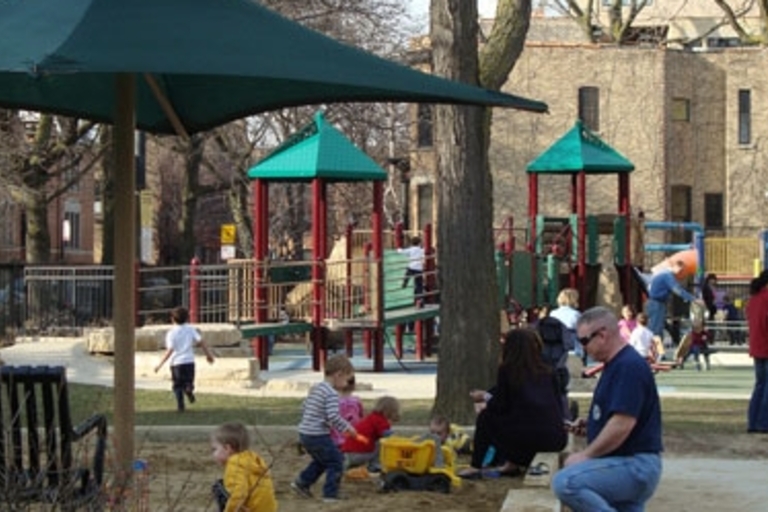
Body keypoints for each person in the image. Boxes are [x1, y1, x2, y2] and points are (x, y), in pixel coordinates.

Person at [553, 307, 663, 511]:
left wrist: (587, 455)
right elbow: (616, 417)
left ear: (602, 335)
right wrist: (593, 425)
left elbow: (622, 423)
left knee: (566, 482)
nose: (583, 348)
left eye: (584, 341)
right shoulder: (616, 365)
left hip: (634, 464)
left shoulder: (628, 366)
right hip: (625, 462)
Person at [459, 328, 567, 479]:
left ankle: (475, 466)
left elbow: (501, 405)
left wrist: (485, 399)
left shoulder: (508, 370)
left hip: (526, 443)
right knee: (517, 422)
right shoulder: (549, 371)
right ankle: (512, 463)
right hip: (555, 439)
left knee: (486, 417)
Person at [292, 354, 359, 503]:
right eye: (347, 379)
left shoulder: (316, 388)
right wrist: (348, 428)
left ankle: (302, 482)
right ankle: (330, 494)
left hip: (305, 433)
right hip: (317, 435)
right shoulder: (331, 394)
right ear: (338, 375)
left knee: (322, 460)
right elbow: (333, 416)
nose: (347, 383)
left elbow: (304, 407)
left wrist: (307, 423)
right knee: (337, 461)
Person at [154, 306, 215, 412]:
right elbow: (201, 342)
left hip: (176, 363)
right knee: (188, 381)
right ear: (187, 318)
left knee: (177, 385)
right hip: (189, 361)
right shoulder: (191, 329)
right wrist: (208, 355)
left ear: (172, 319)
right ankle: (189, 389)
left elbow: (170, 350)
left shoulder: (171, 333)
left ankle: (180, 405)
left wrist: (160, 364)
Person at [210, 422, 277, 512]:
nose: (213, 454)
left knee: (219, 489)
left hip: (252, 509)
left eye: (215, 449)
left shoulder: (235, 466)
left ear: (227, 448)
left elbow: (239, 495)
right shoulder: (252, 459)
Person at [342, 395, 400, 472]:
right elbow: (387, 435)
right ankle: (375, 465)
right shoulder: (381, 421)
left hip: (348, 451)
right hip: (359, 454)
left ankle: (349, 462)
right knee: (383, 444)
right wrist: (397, 437)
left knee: (376, 442)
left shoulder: (371, 417)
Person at [645, 259, 701, 338]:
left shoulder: (663, 274)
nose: (680, 272)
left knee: (657, 327)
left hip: (657, 302)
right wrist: (693, 299)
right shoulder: (668, 276)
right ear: (675, 266)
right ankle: (651, 348)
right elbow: (677, 290)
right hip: (657, 303)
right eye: (680, 269)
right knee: (655, 329)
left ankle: (655, 347)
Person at [746, 270, 768, 433]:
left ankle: (753, 421)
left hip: (757, 346)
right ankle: (763, 422)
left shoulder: (753, 300)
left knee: (760, 385)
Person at [330, 376, 364, 448]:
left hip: (335, 439)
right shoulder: (357, 401)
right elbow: (361, 416)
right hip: (353, 436)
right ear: (353, 386)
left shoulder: (333, 401)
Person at [398, 236, 425, 300]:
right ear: (419, 243)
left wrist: (399, 249)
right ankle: (419, 297)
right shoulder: (421, 250)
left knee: (407, 274)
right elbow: (424, 254)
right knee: (419, 283)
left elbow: (401, 251)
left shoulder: (410, 249)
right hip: (419, 268)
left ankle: (404, 283)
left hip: (411, 267)